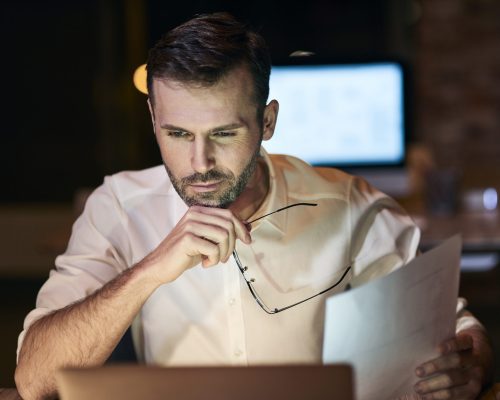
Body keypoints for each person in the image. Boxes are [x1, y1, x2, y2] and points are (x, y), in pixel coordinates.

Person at [15, 12, 493, 400]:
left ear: (267, 121)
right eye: (177, 134)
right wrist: (151, 269)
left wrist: (469, 363)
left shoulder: (351, 206)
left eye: (224, 133)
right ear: (152, 118)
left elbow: (457, 332)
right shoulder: (119, 205)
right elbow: (35, 381)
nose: (198, 163)